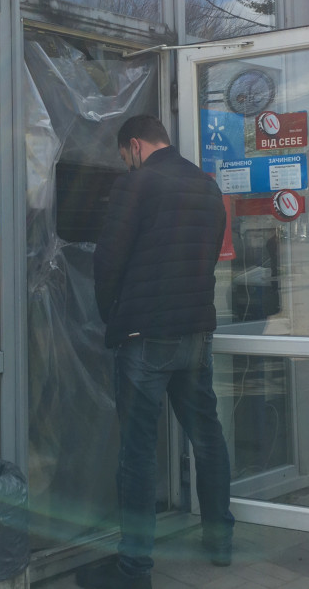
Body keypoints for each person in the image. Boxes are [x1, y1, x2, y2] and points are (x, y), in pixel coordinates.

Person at [77, 115, 234, 589]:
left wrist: (112, 316)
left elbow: (108, 261)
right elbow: (208, 256)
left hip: (145, 337)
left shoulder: (137, 184)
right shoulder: (208, 187)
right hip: (196, 335)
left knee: (138, 454)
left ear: (136, 146)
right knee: (207, 436)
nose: (127, 165)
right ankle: (220, 541)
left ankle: (133, 571)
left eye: (126, 157)